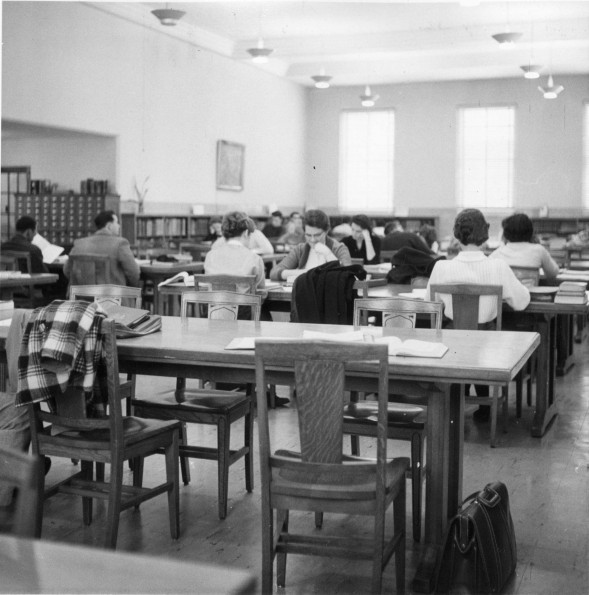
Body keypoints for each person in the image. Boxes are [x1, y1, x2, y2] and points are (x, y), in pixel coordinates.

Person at [425, 209, 530, 422]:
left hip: (450, 342)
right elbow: (521, 302)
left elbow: (429, 304)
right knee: (480, 341)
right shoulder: (497, 266)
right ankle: (483, 407)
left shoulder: (441, 267)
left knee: (461, 341)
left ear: (457, 233)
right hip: (488, 344)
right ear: (485, 233)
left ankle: (457, 401)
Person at [270, 209, 352, 281]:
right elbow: (274, 272)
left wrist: (328, 254)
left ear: (326, 231)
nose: (312, 240)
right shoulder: (300, 249)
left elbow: (347, 275)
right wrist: (304, 273)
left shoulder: (339, 248)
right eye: (308, 235)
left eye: (317, 235)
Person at [64, 210, 141, 287]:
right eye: (117, 223)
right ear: (109, 226)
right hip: (112, 297)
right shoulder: (120, 243)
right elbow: (134, 273)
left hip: (80, 297)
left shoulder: (79, 243)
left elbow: (67, 270)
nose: (119, 226)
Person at [204, 211, 267, 297]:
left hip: (213, 309)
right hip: (243, 308)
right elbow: (261, 294)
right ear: (245, 233)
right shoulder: (255, 259)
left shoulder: (210, 256)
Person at [489, 213, 559, 281]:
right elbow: (553, 273)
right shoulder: (539, 250)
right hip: (530, 292)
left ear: (505, 234)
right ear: (531, 232)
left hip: (505, 292)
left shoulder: (497, 254)